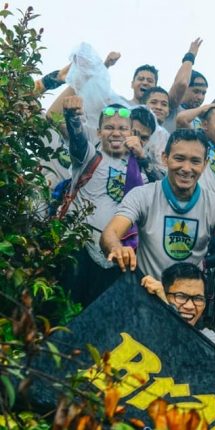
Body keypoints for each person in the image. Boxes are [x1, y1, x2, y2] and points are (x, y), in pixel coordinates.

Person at [100, 128, 215, 279]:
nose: (187, 168)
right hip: (145, 294)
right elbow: (110, 234)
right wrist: (117, 248)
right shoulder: (142, 195)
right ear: (165, 158)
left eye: (195, 161)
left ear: (205, 163)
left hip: (188, 300)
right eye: (179, 159)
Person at [61, 98, 158, 305]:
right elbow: (77, 139)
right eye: (108, 127)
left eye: (123, 128)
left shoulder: (141, 174)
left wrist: (143, 159)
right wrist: (72, 117)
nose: (116, 133)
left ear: (131, 134)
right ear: (98, 133)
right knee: (64, 313)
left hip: (116, 259)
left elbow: (165, 192)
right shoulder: (88, 157)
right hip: (78, 250)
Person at [141, 263, 215, 344]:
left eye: (197, 298)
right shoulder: (141, 330)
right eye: (181, 296)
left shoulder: (210, 342)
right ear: (163, 295)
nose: (190, 306)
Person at [162, 38, 206, 133]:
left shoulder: (202, 121)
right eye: (196, 91)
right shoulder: (170, 107)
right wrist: (190, 57)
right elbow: (181, 83)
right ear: (185, 89)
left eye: (203, 93)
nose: (200, 97)